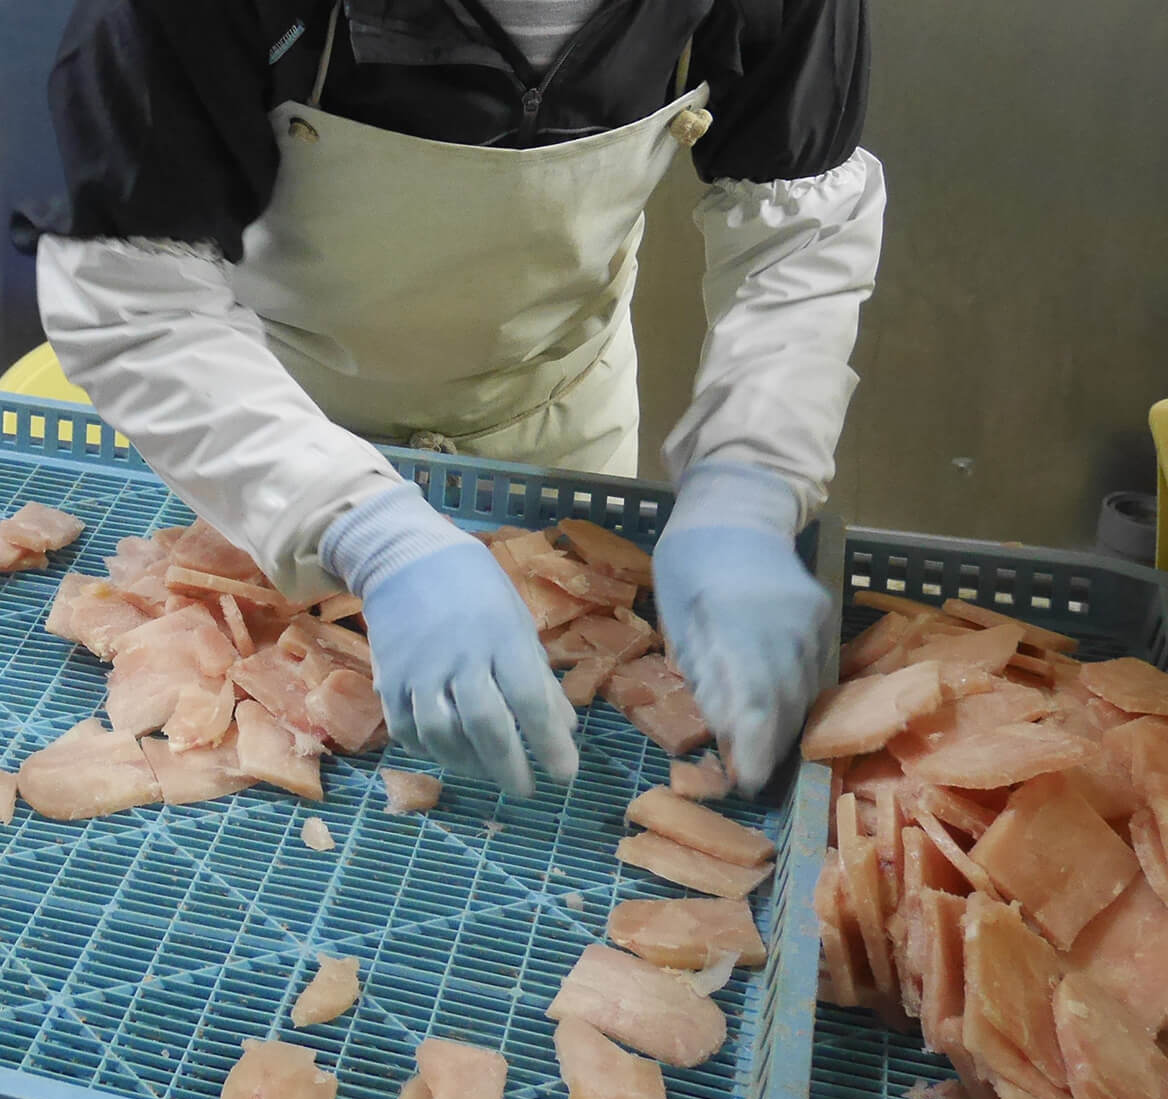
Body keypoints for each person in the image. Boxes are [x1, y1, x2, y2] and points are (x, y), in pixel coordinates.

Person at [12, 0, 886, 798]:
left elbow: (796, 233)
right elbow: (137, 298)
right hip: (260, 434)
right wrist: (369, 533)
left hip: (554, 417)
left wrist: (749, 479)